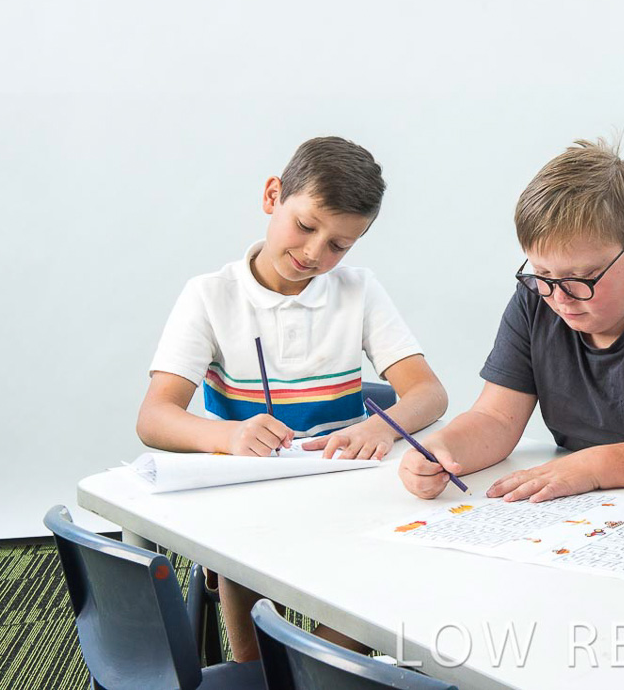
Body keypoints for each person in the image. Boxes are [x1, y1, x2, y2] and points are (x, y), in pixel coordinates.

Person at [138, 135, 447, 659]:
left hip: (343, 496)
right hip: (248, 501)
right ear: (272, 196)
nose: (313, 254)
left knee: (407, 567)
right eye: (305, 226)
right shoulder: (210, 296)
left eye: (338, 246)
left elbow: (429, 392)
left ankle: (304, 667)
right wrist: (230, 435)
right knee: (242, 557)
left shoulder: (359, 291)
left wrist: (380, 425)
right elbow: (154, 417)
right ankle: (266, 668)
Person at [399, 138, 624, 503]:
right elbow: (497, 419)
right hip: (579, 502)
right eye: (543, 274)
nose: (560, 298)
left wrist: (594, 467)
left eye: (582, 278)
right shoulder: (535, 300)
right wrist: (440, 450)